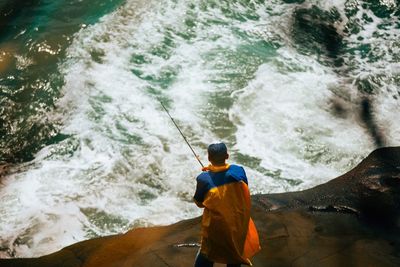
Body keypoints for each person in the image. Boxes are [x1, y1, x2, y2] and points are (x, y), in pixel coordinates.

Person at [193, 142, 261, 267]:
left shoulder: (203, 179)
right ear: (227, 156)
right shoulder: (239, 171)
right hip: (238, 224)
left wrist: (208, 174)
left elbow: (199, 203)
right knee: (234, 255)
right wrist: (212, 172)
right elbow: (235, 188)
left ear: (209, 158)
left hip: (216, 228)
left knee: (206, 255)